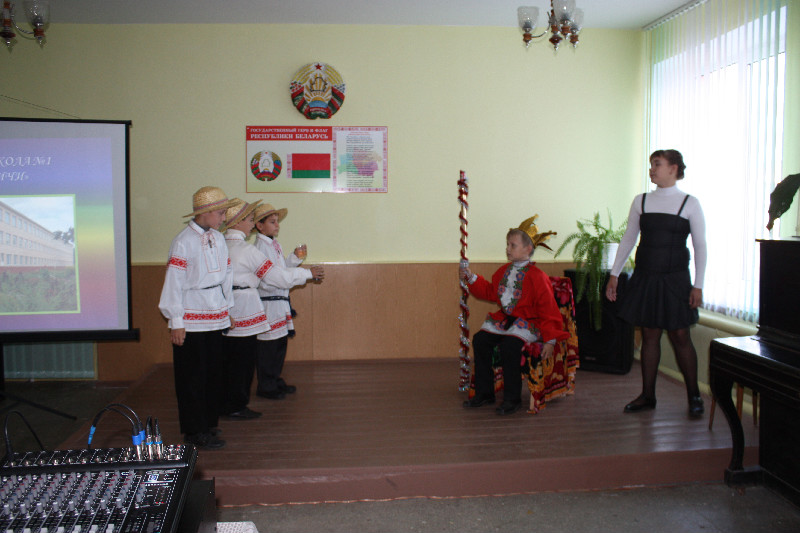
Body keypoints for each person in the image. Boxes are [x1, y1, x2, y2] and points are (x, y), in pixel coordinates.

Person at [605, 149, 707, 418]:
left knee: (680, 336)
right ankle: (648, 395)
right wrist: (614, 274)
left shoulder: (690, 203)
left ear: (673, 168)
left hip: (676, 280)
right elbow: (629, 238)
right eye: (651, 164)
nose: (652, 169)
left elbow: (700, 245)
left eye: (657, 164)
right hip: (646, 277)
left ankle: (694, 396)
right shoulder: (642, 201)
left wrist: (698, 285)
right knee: (650, 335)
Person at [460, 216, 569, 415]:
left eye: (513, 245)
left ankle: (512, 399)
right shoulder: (503, 271)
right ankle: (485, 392)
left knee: (510, 346)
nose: (508, 249)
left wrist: (550, 340)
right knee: (480, 340)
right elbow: (491, 292)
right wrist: (471, 277)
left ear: (528, 249)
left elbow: (548, 309)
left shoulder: (538, 277)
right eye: (507, 244)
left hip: (528, 324)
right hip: (505, 322)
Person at [158, 186, 238, 450]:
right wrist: (176, 320)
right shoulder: (183, 241)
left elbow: (227, 275)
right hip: (192, 314)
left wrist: (228, 308)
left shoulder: (219, 238)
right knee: (192, 376)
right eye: (221, 213)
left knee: (214, 372)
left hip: (216, 311)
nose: (224, 218)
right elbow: (174, 281)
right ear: (206, 212)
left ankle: (209, 423)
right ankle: (194, 431)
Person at [253, 203, 324, 399]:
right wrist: (307, 274)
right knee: (268, 346)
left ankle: (274, 380)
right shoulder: (260, 248)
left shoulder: (272, 245)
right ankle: (266, 386)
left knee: (279, 344)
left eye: (277, 221)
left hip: (278, 301)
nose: (277, 225)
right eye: (272, 222)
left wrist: (294, 258)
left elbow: (281, 270)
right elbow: (275, 278)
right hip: (269, 302)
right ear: (259, 225)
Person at [221, 199, 268, 421]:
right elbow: (274, 275)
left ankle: (227, 402)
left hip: (224, 304)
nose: (252, 224)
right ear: (238, 222)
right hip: (243, 305)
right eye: (249, 220)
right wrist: (306, 274)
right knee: (244, 358)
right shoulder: (245, 249)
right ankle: (237, 404)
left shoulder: (220, 244)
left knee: (228, 358)